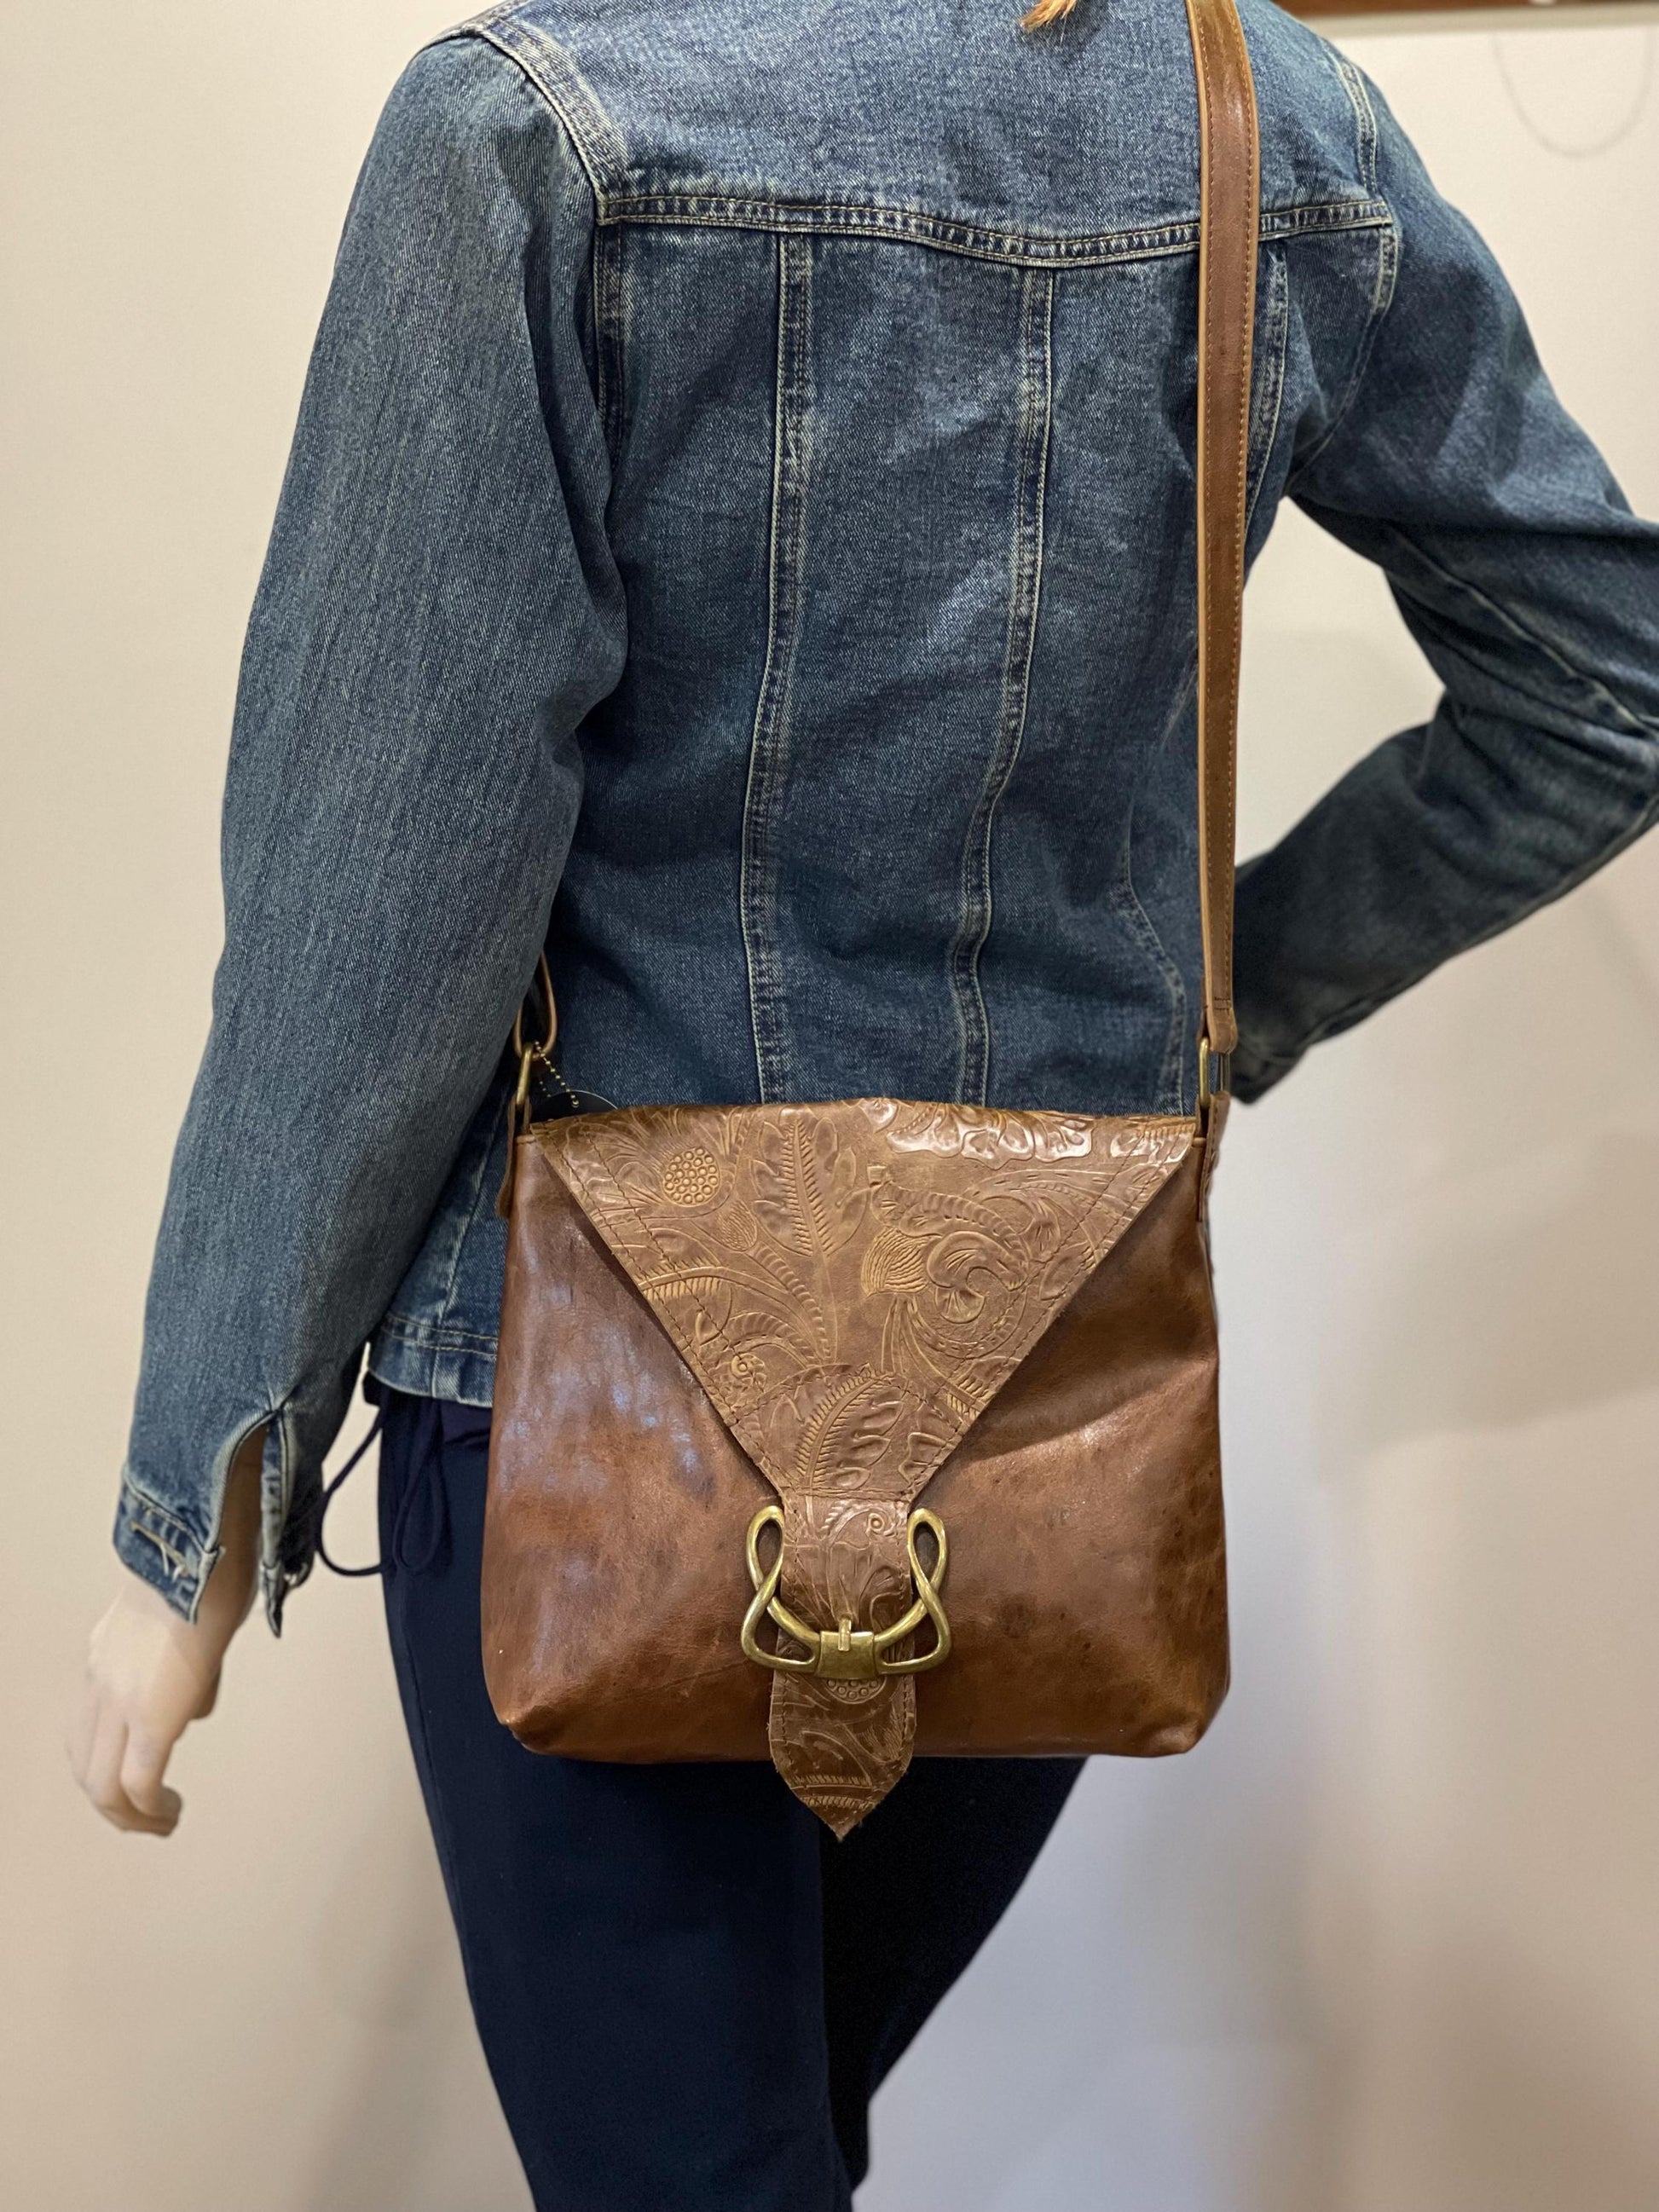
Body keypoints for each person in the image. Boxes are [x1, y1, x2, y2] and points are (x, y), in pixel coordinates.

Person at [68, 0, 1659, 2203]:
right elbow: (1606, 682)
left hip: (577, 1418)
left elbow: (383, 888)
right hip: (1039, 1406)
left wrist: (197, 1498)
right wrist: (1221, 1005)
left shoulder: (535, 132)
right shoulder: (1264, 127)